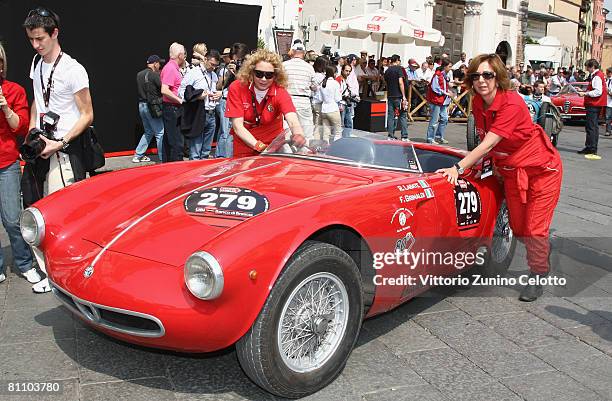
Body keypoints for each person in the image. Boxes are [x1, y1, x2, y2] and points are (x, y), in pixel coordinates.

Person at [436, 53, 563, 302]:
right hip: (511, 171)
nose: (481, 80)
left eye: (487, 75)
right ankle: (541, 252)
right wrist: (491, 164)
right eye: (476, 75)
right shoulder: (479, 103)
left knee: (535, 229)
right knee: (518, 228)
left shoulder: (512, 103)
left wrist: (457, 168)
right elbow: (486, 143)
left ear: (498, 76)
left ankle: (538, 273)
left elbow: (487, 143)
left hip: (541, 171)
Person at [24, 7, 94, 293]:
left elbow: (88, 115)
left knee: (65, 217)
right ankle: (48, 273)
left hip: (64, 152)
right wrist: (32, 132)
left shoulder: (73, 70)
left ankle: (69, 276)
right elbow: (38, 102)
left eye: (40, 38)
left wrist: (61, 143)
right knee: (36, 211)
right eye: (31, 39)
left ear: (55, 33)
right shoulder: (37, 64)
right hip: (42, 147)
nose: (36, 44)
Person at [0, 43, 40, 285]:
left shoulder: (14, 90)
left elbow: (21, 127)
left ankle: (24, 263)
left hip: (6, 163)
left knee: (13, 218)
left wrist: (5, 106)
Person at [225, 49, 306, 157]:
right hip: (244, 143)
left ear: (276, 75)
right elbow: (237, 127)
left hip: (274, 145)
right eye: (259, 74)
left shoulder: (280, 92)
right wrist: (259, 146)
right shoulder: (237, 88)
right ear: (251, 72)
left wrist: (298, 134)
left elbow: (292, 120)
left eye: (269, 75)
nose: (263, 79)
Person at [179, 47, 220, 160]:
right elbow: (182, 91)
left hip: (211, 114)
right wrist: (197, 96)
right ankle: (194, 176)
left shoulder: (213, 75)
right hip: (198, 113)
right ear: (205, 59)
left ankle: (204, 176)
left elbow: (212, 90)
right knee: (195, 152)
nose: (213, 67)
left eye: (216, 65)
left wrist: (218, 95)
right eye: (211, 64)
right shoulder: (194, 72)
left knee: (206, 152)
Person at [283, 41, 318, 142]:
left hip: (287, 99)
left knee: (287, 130)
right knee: (307, 131)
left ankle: (288, 151)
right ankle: (305, 152)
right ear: (303, 53)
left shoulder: (284, 65)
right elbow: (314, 86)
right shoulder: (309, 67)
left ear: (293, 51)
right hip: (303, 101)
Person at [132, 55, 164, 163]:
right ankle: (162, 158)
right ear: (155, 63)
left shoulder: (139, 74)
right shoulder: (154, 75)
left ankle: (138, 155)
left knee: (149, 131)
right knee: (160, 133)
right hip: (151, 107)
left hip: (141, 105)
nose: (160, 66)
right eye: (159, 63)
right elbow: (162, 88)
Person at [160, 42, 186, 162]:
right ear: (180, 55)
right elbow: (164, 90)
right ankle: (175, 170)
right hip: (172, 108)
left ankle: (170, 166)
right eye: (184, 55)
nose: (185, 57)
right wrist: (180, 100)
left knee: (171, 141)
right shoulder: (170, 68)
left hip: (172, 108)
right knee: (176, 143)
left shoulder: (172, 68)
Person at [577, 59, 605, 159]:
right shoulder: (598, 75)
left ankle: (591, 148)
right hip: (595, 104)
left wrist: (585, 93)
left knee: (591, 127)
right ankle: (590, 147)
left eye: (588, 67)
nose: (587, 70)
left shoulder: (597, 76)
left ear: (592, 66)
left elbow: (598, 92)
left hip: (594, 104)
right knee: (592, 126)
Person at [426, 59, 452, 144]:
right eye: (449, 66)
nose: (450, 68)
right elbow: (435, 88)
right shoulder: (437, 75)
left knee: (444, 118)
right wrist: (446, 92)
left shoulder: (445, 75)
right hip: (436, 100)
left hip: (443, 100)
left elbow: (444, 86)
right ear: (445, 66)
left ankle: (438, 136)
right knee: (434, 120)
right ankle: (430, 138)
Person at [384, 54, 408, 141]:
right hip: (399, 96)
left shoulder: (387, 71)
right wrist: (404, 96)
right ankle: (404, 136)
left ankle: (390, 135)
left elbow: (385, 82)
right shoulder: (399, 69)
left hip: (390, 95)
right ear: (397, 60)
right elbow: (400, 82)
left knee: (391, 116)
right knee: (402, 115)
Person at [318, 65, 342, 142]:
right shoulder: (335, 83)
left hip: (324, 110)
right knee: (338, 132)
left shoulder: (322, 83)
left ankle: (325, 148)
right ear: (333, 73)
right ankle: (336, 148)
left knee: (326, 132)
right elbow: (338, 98)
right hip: (333, 109)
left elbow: (320, 98)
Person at [337, 63, 357, 137]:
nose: (348, 73)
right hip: (341, 103)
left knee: (349, 123)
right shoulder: (339, 79)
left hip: (347, 103)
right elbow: (337, 93)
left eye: (349, 71)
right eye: (346, 71)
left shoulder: (345, 80)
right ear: (342, 70)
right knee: (342, 124)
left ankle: (347, 138)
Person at [605, 67, 612, 137]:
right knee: (608, 117)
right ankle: (608, 131)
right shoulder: (607, 80)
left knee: (609, 117)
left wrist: (608, 91)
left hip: (610, 100)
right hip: (608, 102)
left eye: (608, 73)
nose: (607, 74)